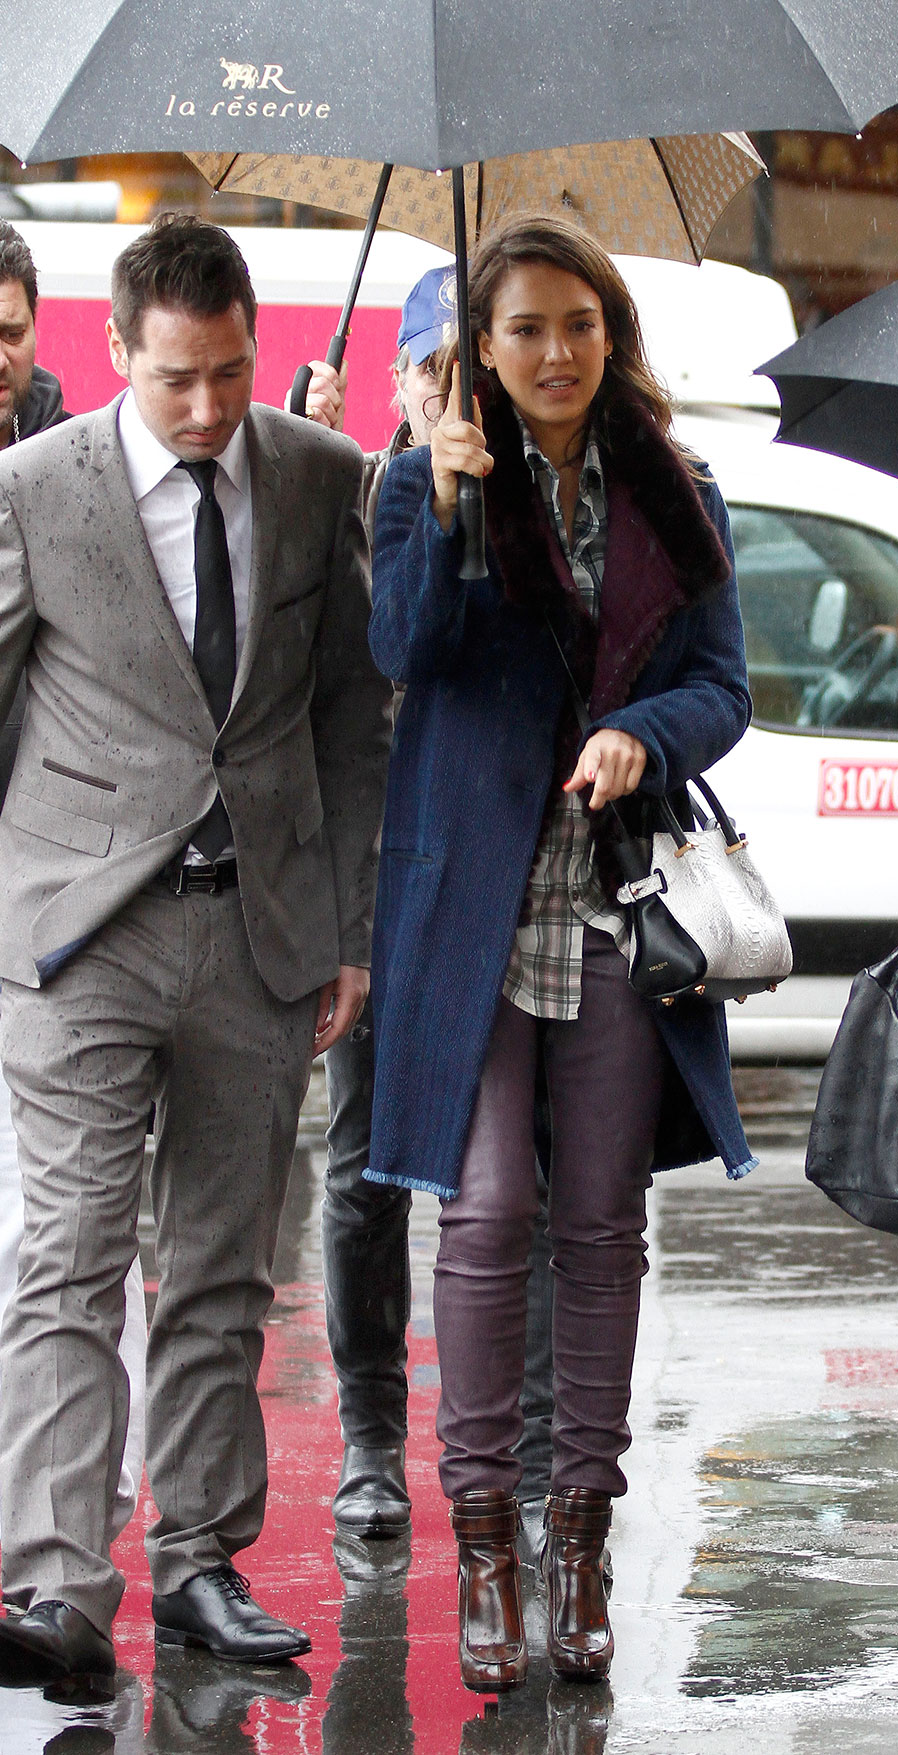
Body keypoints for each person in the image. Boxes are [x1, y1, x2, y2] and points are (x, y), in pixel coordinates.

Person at [0, 213, 391, 1691]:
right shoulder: (33, 490)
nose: (212, 407)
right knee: (72, 1254)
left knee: (222, 1267)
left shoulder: (318, 477)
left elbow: (354, 717)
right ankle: (55, 1582)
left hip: (260, 929)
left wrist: (345, 924)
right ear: (118, 352)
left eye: (231, 373)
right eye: (179, 379)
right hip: (77, 935)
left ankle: (201, 1562)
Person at [368, 212, 755, 1693]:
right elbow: (406, 653)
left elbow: (721, 687)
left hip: (614, 890)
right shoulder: (423, 479)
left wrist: (634, 732)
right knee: (484, 1210)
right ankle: (483, 1546)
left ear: (613, 335)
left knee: (600, 1220)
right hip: (472, 894)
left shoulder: (679, 488)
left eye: (578, 326)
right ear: (482, 345)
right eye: (523, 329)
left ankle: (581, 1541)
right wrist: (453, 512)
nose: (553, 353)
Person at [0, 219, 149, 1548]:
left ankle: (66, 1525)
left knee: (58, 1230)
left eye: (3, 329)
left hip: (54, 910)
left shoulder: (65, 480)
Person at [317, 265, 454, 1542]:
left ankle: (502, 1450)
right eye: (432, 367)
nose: (449, 388)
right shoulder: (346, 490)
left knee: (497, 1170)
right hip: (363, 870)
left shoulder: (523, 505)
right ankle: (370, 1437)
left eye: (470, 367)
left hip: (483, 864)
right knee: (363, 1164)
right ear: (402, 377)